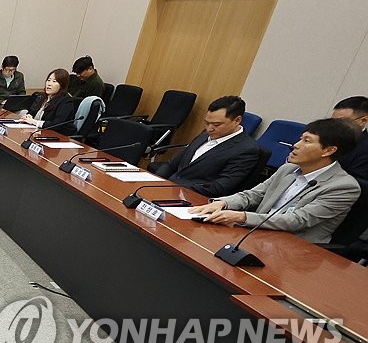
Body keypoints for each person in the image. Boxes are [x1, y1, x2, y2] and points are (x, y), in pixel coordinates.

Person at [189, 118, 361, 243]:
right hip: (255, 235)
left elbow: (298, 220)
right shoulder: (288, 169)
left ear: (328, 150)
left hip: (295, 249)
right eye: (300, 138)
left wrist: (242, 217)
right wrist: (223, 203)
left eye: (306, 141)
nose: (296, 145)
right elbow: (254, 195)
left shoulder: (343, 187)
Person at [150, 96, 262, 197]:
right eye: (207, 123)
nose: (209, 129)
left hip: (193, 198)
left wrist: (172, 189)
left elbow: (218, 187)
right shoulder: (205, 135)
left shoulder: (246, 149)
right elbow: (171, 164)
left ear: (237, 120)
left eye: (216, 124)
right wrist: (153, 182)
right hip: (167, 190)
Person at [331, 96, 368, 182]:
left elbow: (355, 182)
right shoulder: (324, 135)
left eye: (341, 121)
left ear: (363, 120)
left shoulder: (365, 150)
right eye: (332, 121)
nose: (334, 125)